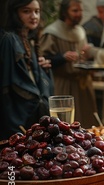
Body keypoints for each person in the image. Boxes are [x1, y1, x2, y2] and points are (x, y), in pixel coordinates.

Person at [40, 0, 98, 128]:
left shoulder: (81, 31)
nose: (79, 14)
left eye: (81, 10)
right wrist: (62, 57)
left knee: (87, 126)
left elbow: (84, 54)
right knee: (65, 126)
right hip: (64, 86)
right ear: (65, 12)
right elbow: (43, 59)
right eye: (75, 11)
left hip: (83, 86)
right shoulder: (52, 32)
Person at [0, 0, 53, 140]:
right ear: (15, 13)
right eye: (26, 11)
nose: (33, 16)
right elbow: (10, 84)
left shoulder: (26, 38)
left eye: (37, 11)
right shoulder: (9, 39)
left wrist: (42, 71)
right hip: (16, 118)